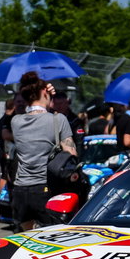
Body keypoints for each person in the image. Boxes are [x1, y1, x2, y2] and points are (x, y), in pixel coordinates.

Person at [10, 71, 77, 230]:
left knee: (27, 238)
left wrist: (43, 94)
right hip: (45, 189)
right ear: (45, 93)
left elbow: (30, 111)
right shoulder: (58, 119)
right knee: (52, 238)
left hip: (20, 191)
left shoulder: (15, 121)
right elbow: (71, 154)